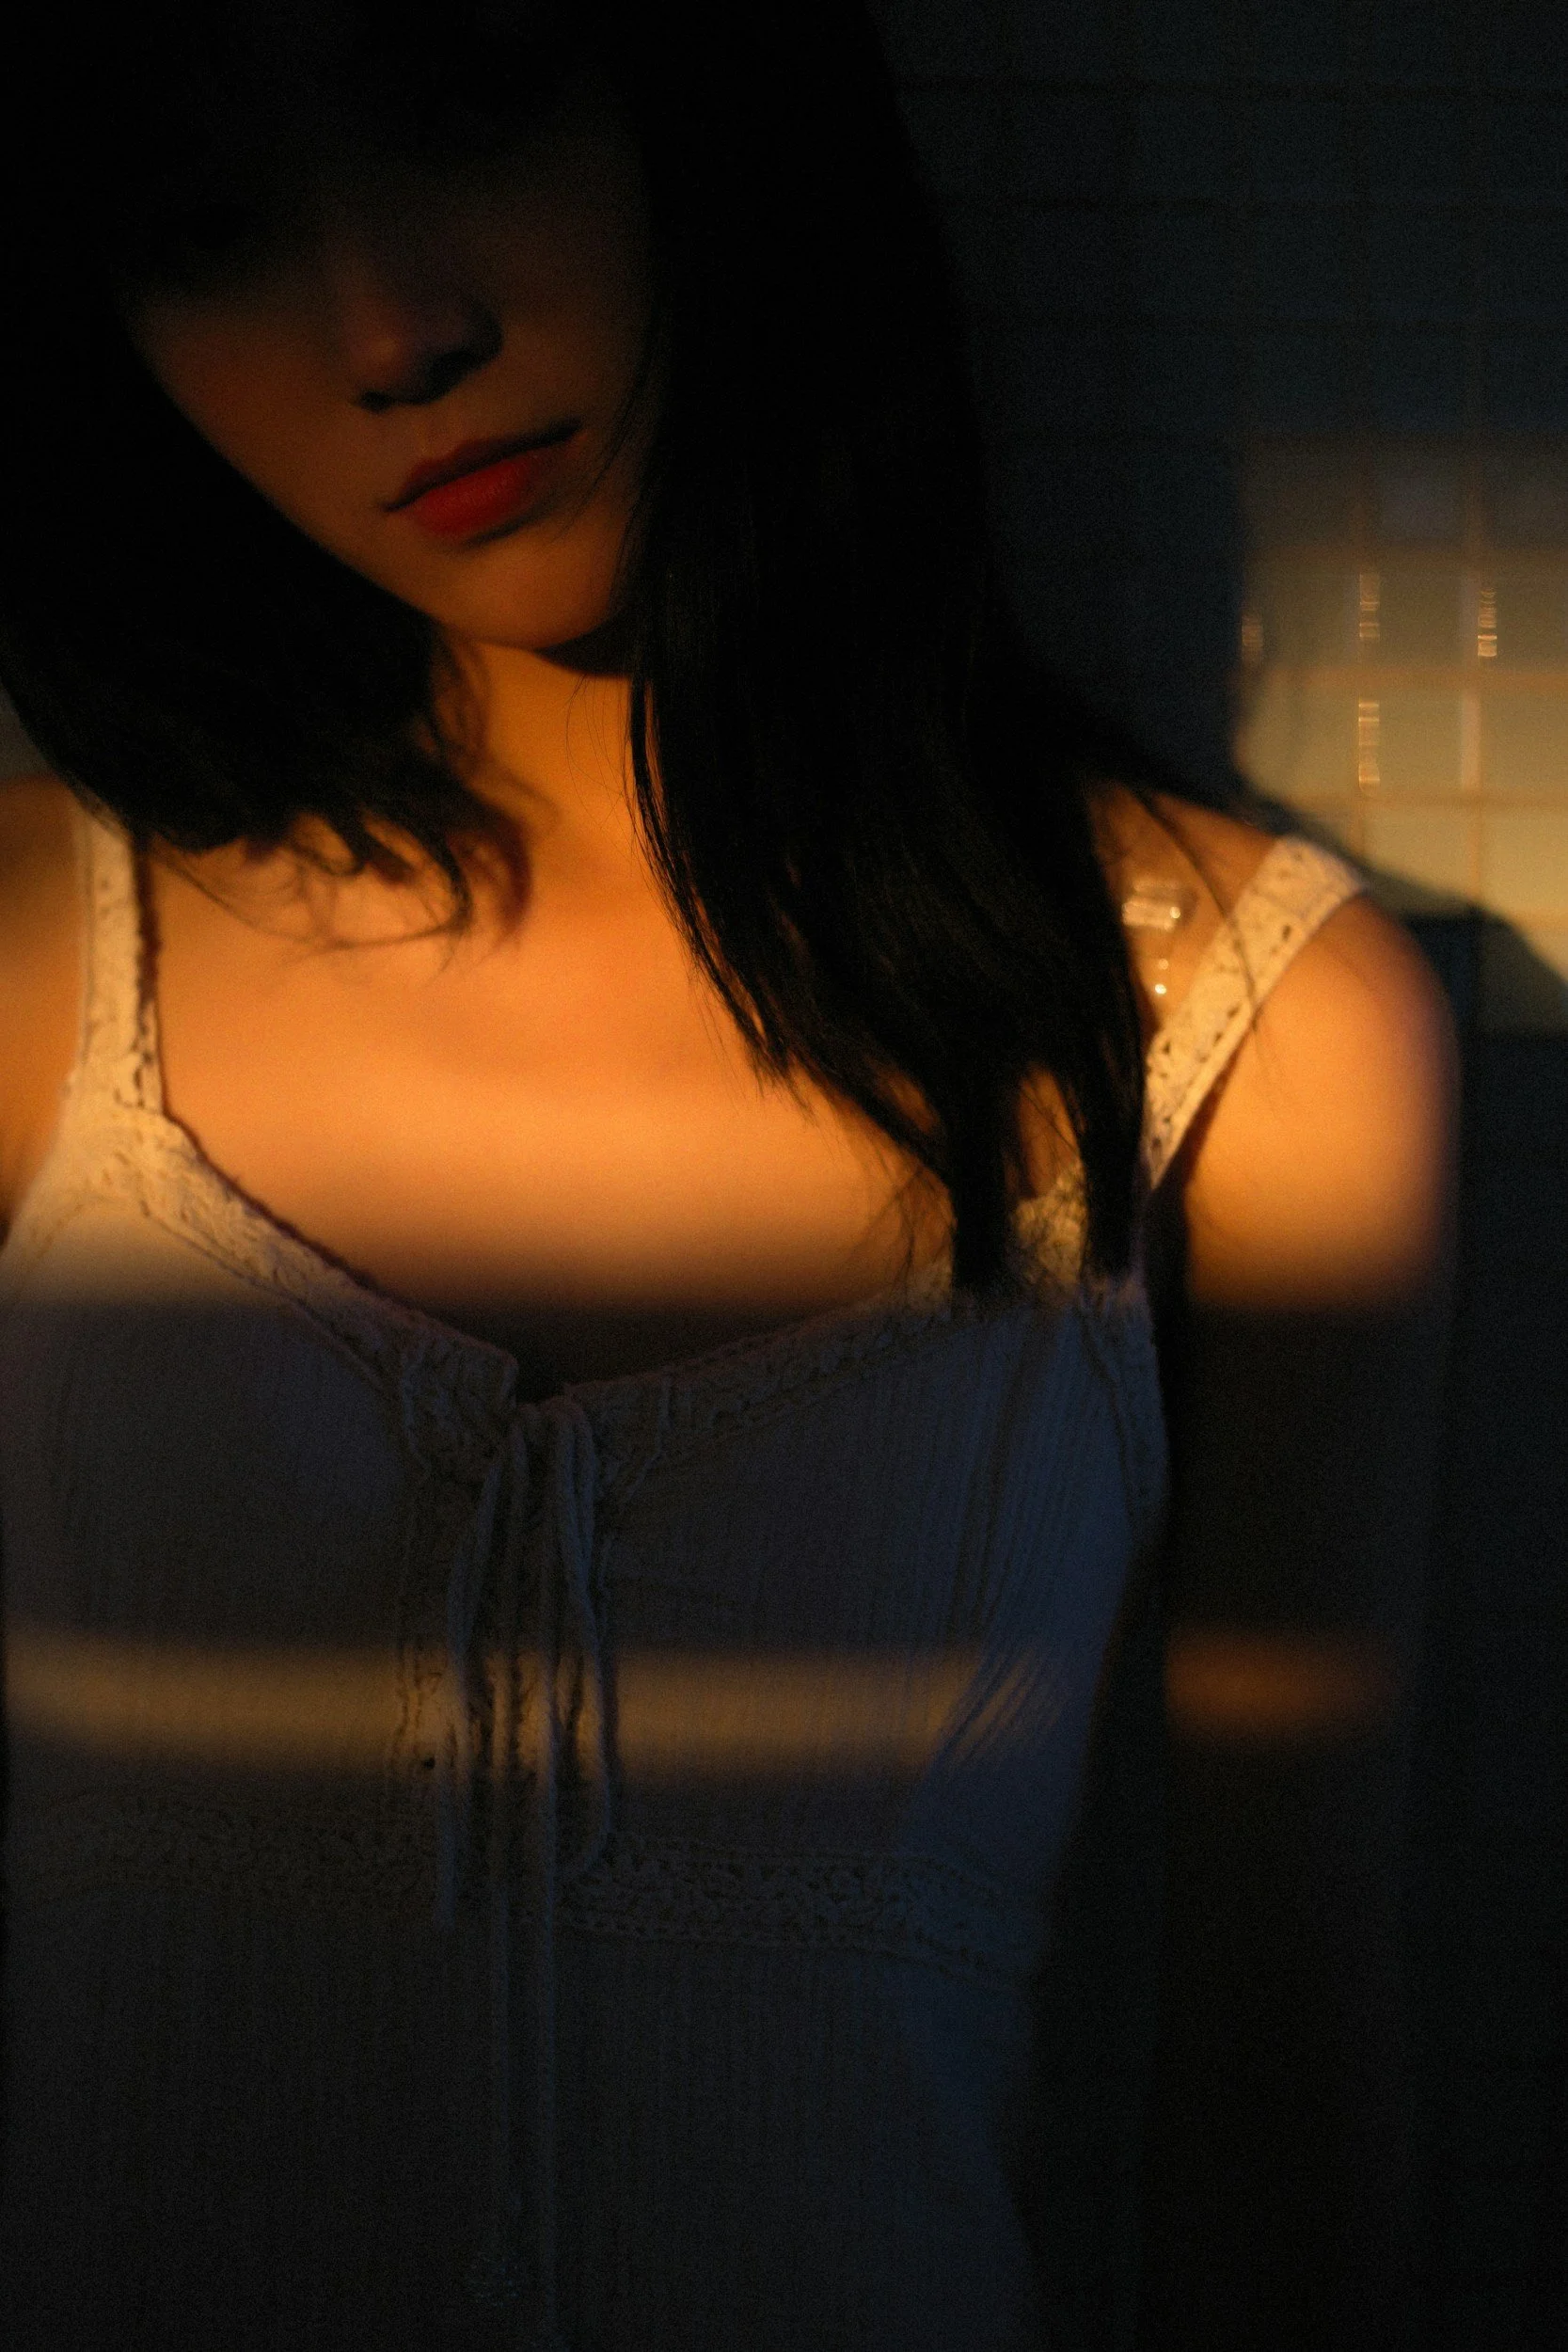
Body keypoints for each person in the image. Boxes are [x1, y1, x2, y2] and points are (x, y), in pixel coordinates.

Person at [0, 5, 1454, 2347]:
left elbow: (1282, 2065)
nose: (394, 333)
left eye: (462, 94)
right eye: (204, 222)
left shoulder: (1253, 1034)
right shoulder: (38, 967)